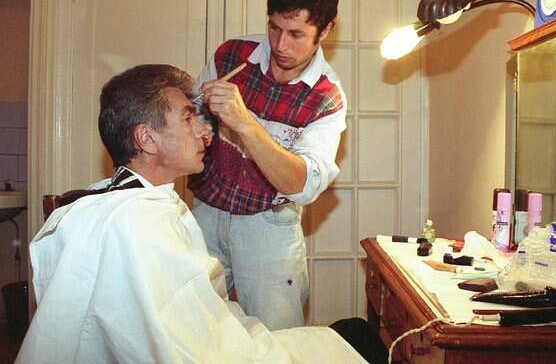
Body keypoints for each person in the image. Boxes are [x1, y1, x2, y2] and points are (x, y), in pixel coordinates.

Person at [16, 64, 386, 363]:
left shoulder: (131, 202)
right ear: (147, 139)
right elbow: (184, 350)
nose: (206, 132)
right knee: (357, 338)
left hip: (222, 341)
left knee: (350, 334)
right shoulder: (132, 225)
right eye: (188, 118)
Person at [189, 0, 346, 330]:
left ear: (325, 30)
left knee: (278, 337)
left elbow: (301, 186)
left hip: (269, 224)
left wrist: (245, 124)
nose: (280, 45)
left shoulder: (327, 96)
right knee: (192, 328)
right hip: (205, 211)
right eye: (274, 28)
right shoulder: (231, 55)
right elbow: (190, 121)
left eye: (296, 34)